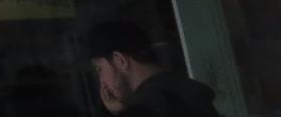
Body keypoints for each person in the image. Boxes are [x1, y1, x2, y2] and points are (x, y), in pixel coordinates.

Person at [86, 21, 221, 116]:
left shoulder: (146, 109)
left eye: (99, 69)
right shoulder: (189, 93)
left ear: (120, 60)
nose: (102, 82)